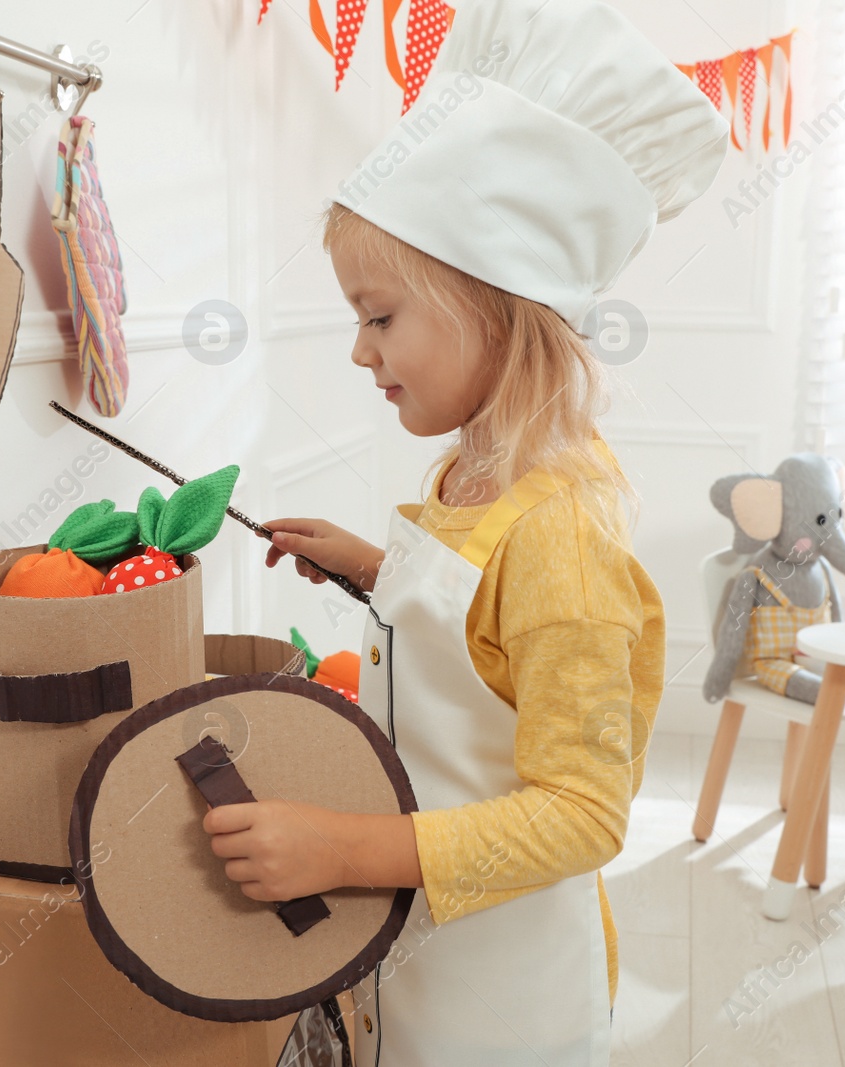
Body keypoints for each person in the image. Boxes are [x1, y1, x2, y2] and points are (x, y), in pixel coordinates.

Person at [197, 0, 727, 1062]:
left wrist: (346, 846)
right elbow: (482, 629)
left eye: (379, 314)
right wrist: (373, 565)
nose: (359, 351)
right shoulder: (473, 470)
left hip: (508, 997)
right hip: (430, 946)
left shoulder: (560, 535)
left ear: (494, 303)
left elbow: (582, 811)